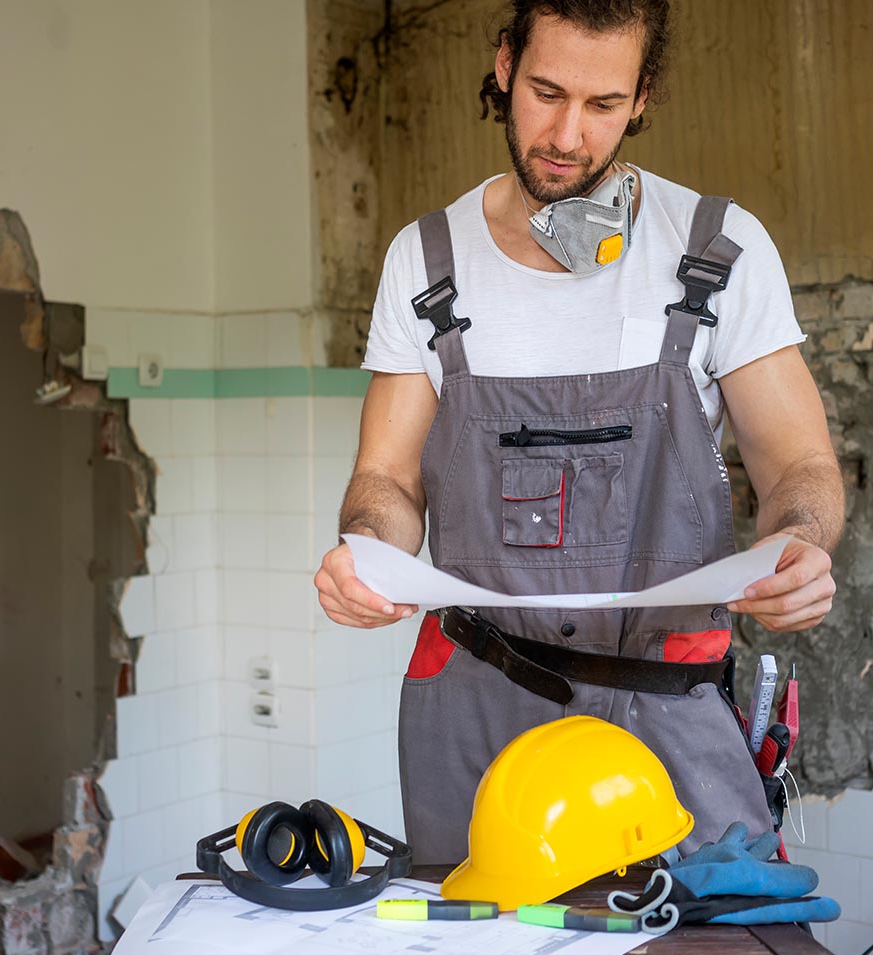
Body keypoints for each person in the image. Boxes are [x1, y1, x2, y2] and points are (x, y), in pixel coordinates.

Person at [314, 0, 843, 865]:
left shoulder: (717, 248)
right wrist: (366, 553)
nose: (566, 134)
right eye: (546, 92)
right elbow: (388, 481)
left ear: (643, 98)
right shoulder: (426, 260)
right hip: (480, 714)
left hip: (668, 712)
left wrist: (799, 543)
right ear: (503, 66)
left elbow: (802, 465)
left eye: (602, 105)